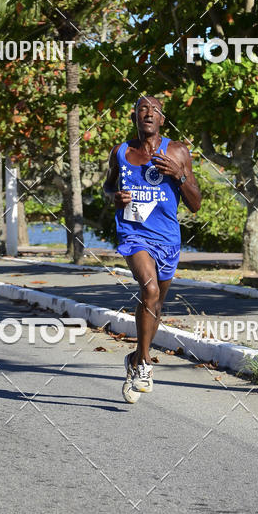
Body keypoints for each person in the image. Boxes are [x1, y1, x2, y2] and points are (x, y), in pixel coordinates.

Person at [103, 96, 202, 403]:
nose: (148, 113)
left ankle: (134, 359)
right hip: (134, 235)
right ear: (135, 115)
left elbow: (195, 204)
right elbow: (108, 186)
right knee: (149, 291)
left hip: (168, 239)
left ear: (162, 118)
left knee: (156, 304)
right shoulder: (121, 151)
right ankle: (145, 364)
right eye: (142, 109)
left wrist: (179, 174)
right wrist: (114, 197)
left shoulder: (177, 151)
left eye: (154, 110)